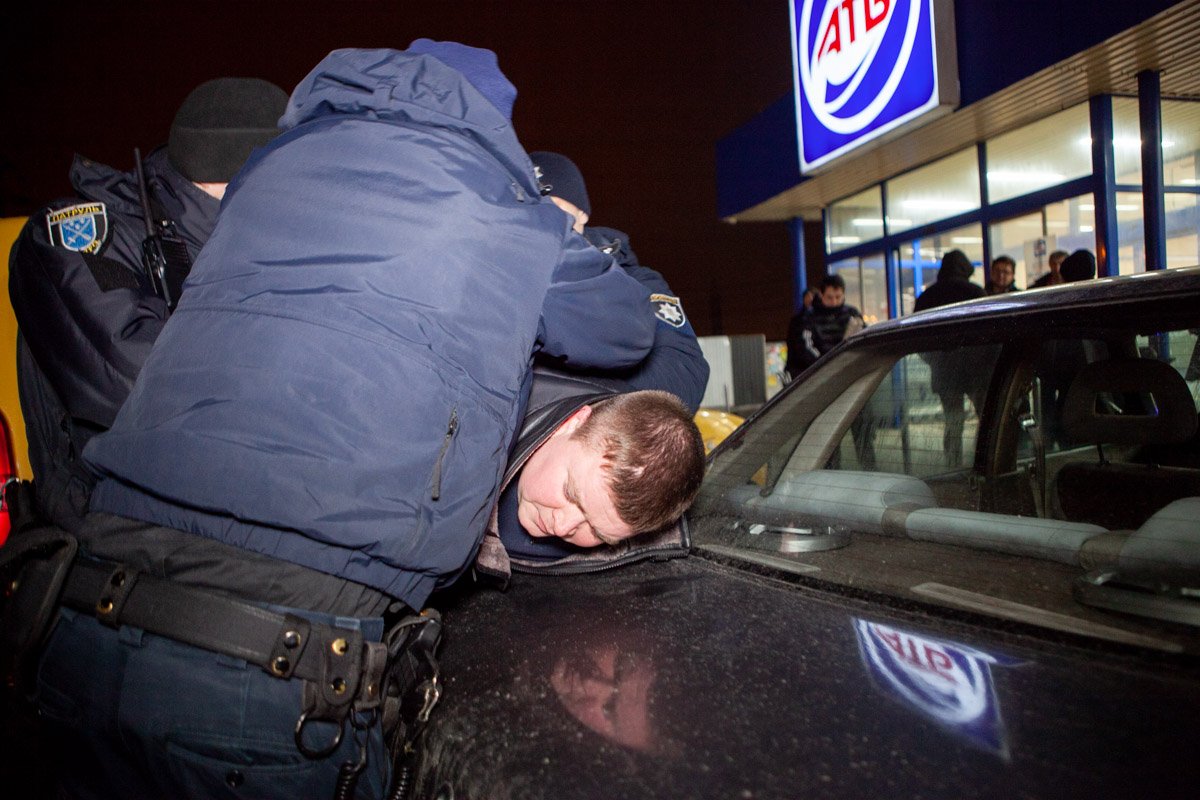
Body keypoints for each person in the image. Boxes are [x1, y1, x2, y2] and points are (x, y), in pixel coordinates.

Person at [12, 42, 663, 800]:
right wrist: (545, 225)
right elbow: (626, 331)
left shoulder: (271, 179)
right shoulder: (499, 216)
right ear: (491, 125)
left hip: (92, 620)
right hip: (274, 674)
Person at [7, 77, 290, 533]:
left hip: (243, 525)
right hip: (115, 539)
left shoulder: (271, 248)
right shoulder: (81, 239)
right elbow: (141, 384)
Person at [527, 151, 709, 412]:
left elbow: (684, 373)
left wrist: (579, 400)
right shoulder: (505, 284)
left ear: (582, 214)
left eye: (554, 206)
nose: (545, 219)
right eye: (531, 209)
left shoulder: (635, 280)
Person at [913, 250, 988, 468]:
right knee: (986, 418)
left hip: (944, 371)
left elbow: (918, 338)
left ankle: (953, 464)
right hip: (976, 370)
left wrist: (935, 360)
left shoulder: (927, 297)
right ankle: (984, 463)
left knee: (953, 422)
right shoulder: (975, 292)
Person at [784, 273, 863, 379]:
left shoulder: (852, 314)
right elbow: (806, 348)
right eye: (829, 297)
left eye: (838, 297)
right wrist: (826, 365)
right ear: (821, 295)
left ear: (843, 295)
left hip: (848, 370)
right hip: (819, 374)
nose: (834, 302)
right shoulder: (808, 318)